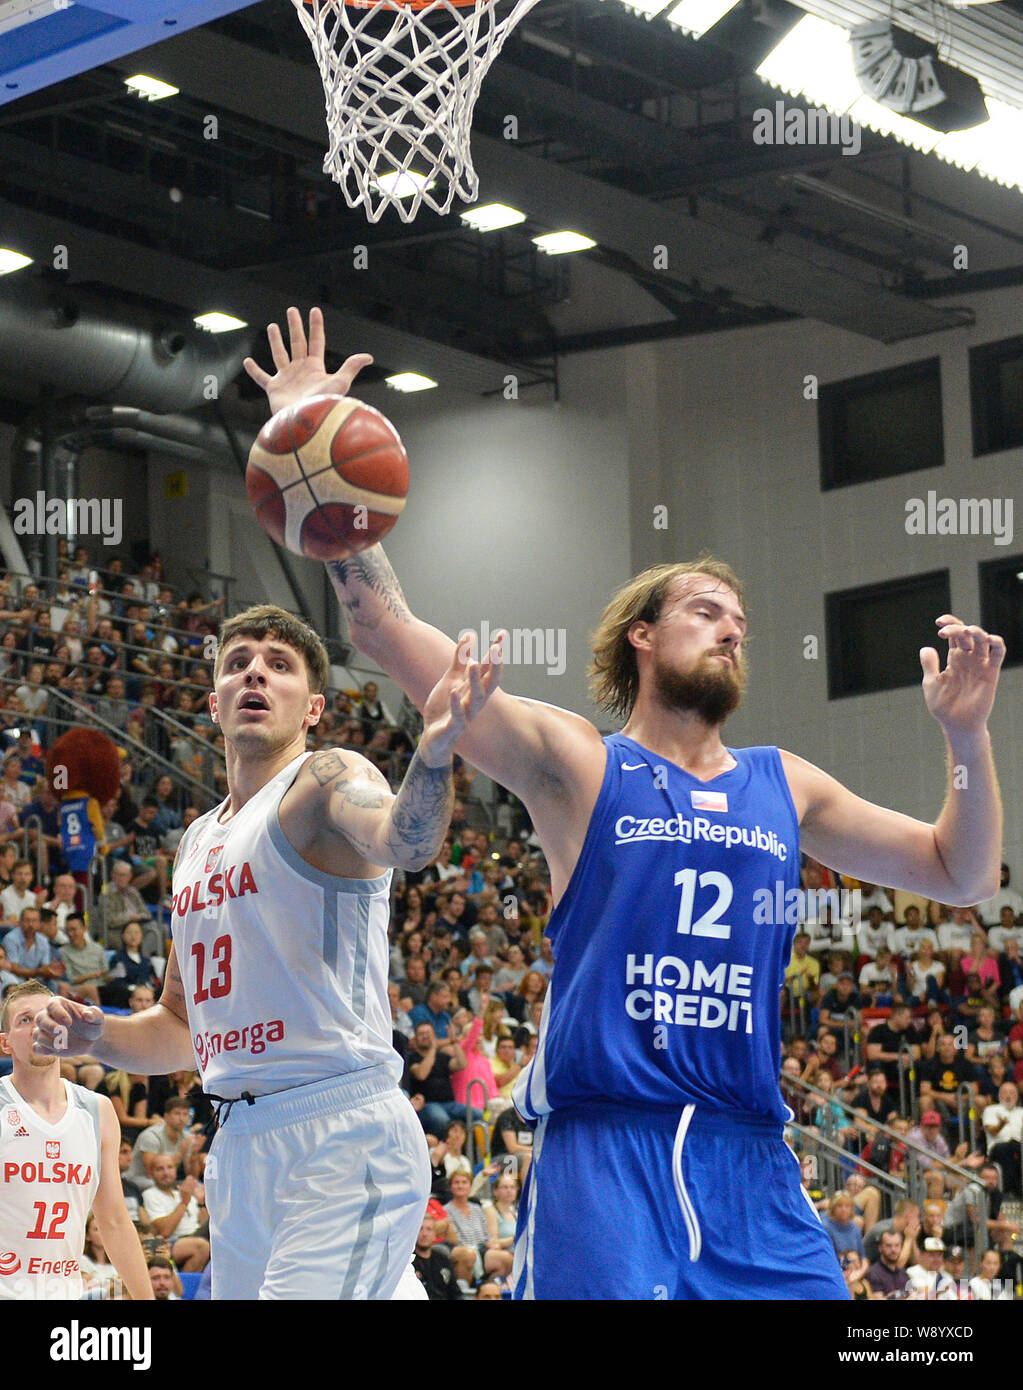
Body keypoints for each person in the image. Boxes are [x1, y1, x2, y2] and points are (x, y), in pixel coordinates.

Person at [248, 305, 1005, 1301]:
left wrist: (964, 738)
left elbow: (962, 871)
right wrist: (312, 452)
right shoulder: (579, 763)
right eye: (704, 612)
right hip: (606, 1153)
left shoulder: (787, 782)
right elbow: (384, 625)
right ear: (641, 638)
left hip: (751, 1162)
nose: (731, 630)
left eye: (740, 622)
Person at [33, 602, 499, 1300]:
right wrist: (96, 1034)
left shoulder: (325, 779)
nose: (254, 670)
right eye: (237, 662)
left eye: (278, 664)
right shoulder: (196, 842)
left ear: (313, 707)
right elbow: (179, 1030)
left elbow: (405, 841)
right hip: (240, 1145)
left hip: (338, 1129)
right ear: (213, 702)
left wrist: (432, 756)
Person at [0, 981, 152, 1301]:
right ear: (5, 1043)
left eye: (46, 1017)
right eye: (24, 1020)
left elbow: (113, 1220)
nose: (37, 1027)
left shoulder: (97, 1110)